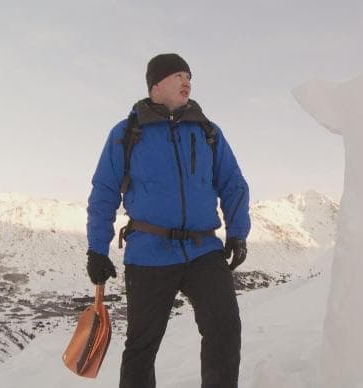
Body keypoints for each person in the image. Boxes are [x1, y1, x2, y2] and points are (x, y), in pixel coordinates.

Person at [85, 53, 250, 388]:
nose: (187, 80)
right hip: (149, 252)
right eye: (178, 75)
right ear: (156, 85)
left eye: (189, 75)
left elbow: (232, 182)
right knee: (142, 346)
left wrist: (237, 233)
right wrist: (97, 249)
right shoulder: (127, 132)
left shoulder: (207, 131)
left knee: (224, 328)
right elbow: (104, 191)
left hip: (204, 249)